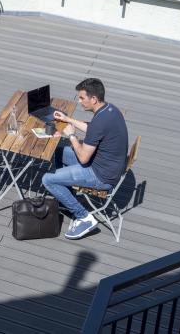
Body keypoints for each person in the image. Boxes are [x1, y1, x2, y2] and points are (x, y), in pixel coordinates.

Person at [42, 78, 129, 240]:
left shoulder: (100, 122)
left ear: (94, 99)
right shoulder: (110, 110)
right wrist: (67, 119)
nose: (79, 101)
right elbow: (92, 128)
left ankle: (83, 217)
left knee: (48, 179)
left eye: (82, 98)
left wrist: (72, 135)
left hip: (101, 175)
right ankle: (66, 196)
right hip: (108, 165)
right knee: (59, 151)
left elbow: (83, 158)